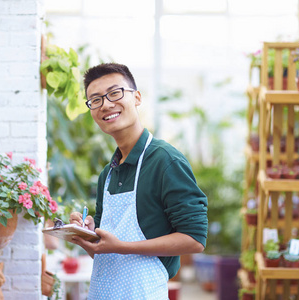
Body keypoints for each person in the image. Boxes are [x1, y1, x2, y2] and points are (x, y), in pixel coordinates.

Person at [69, 63, 208, 299]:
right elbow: (106, 250)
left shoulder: (165, 161)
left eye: (115, 93)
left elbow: (195, 240)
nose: (106, 104)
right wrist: (88, 235)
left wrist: (121, 247)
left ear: (137, 98)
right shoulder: (108, 174)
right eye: (95, 100)